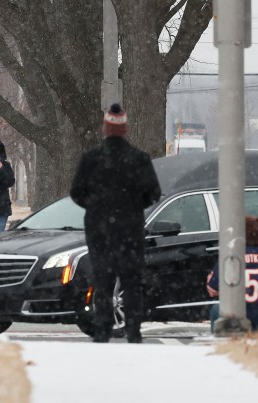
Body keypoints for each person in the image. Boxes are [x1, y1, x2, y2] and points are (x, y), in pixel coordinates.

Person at [70, 103, 161, 343]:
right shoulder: (139, 159)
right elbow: (153, 193)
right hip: (130, 230)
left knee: (102, 281)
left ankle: (102, 330)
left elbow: (77, 192)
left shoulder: (91, 159)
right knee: (131, 282)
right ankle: (133, 331)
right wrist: (131, 207)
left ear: (105, 128)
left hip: (99, 230)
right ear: (125, 129)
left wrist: (97, 207)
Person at [207, 216, 258, 334]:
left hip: (236, 319)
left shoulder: (230, 258)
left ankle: (220, 343)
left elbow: (212, 290)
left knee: (216, 309)